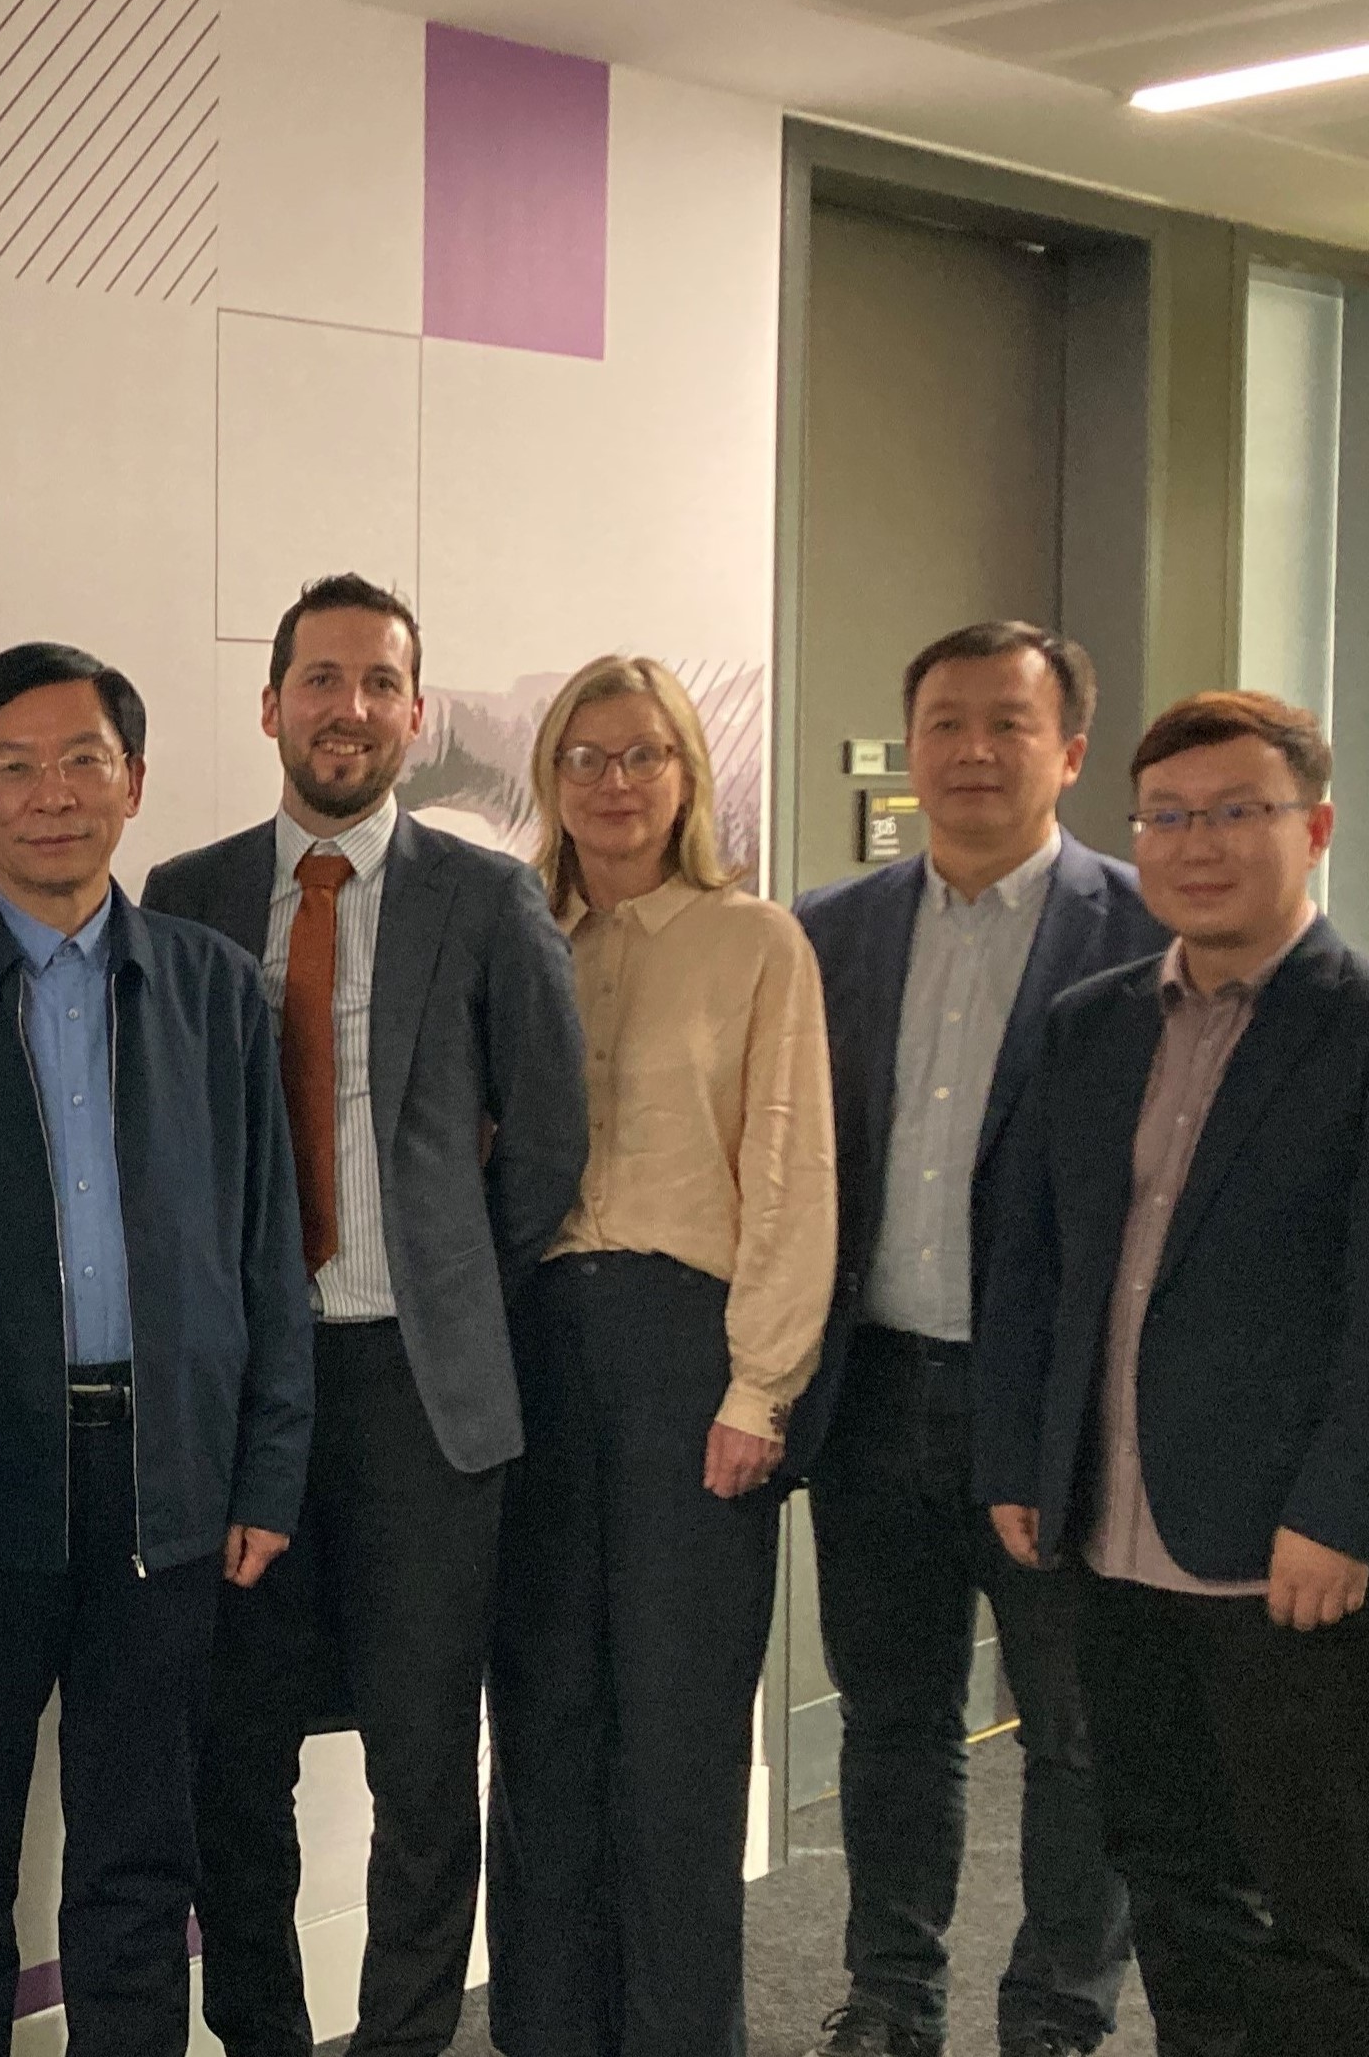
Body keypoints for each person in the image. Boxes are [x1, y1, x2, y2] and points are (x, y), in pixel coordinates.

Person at [143, 574, 587, 2057]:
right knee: (236, 1757)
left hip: (421, 1393)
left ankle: (400, 2041)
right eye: (318, 680)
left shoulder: (486, 896)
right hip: (244, 1397)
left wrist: (446, 1282)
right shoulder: (187, 896)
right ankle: (263, 2037)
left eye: (376, 683)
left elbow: (548, 1146)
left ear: (413, 711)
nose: (346, 709)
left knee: (416, 1763)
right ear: (269, 705)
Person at [0, 643, 314, 2056]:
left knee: (140, 1858)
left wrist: (263, 1471)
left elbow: (266, 1246)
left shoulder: (208, 988)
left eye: (81, 761)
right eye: (12, 765)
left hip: (169, 1478)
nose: (49, 795)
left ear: (133, 782)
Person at [976, 691, 1369, 2057]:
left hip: (1284, 1554)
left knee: (1326, 1901)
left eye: (1233, 812)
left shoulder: (1364, 1027)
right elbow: (1029, 1266)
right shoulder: (1090, 1026)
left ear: (1312, 829)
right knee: (1164, 1868)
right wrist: (1020, 1466)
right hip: (1110, 1538)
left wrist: (1340, 1510)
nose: (1193, 844)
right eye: (1166, 817)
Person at [793, 623, 1154, 2057]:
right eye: (943, 721)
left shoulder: (1137, 933)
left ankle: (1057, 2011)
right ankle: (892, 1996)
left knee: (1075, 1738)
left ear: (1067, 749)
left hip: (1064, 1411)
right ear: (911, 745)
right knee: (892, 1724)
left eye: (1007, 723)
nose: (971, 750)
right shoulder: (829, 930)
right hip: (872, 1389)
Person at [485, 655, 837, 2057]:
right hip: (533, 1353)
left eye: (641, 755)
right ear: (549, 780)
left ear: (687, 774)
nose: (611, 784)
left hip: (691, 1359)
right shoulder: (516, 939)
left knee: (680, 1741)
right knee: (545, 1722)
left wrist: (759, 1386)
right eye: (583, 757)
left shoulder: (755, 943)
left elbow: (789, 1167)